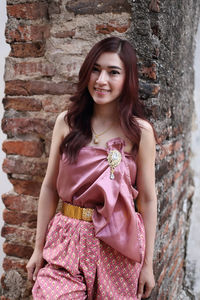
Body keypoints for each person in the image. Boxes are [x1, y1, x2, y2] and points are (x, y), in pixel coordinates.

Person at [26, 36, 157, 300]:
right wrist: (37, 248)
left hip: (118, 244)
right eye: (95, 69)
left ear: (128, 79)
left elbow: (147, 199)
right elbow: (50, 187)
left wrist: (148, 265)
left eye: (113, 72)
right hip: (67, 239)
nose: (101, 80)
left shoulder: (140, 132)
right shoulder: (67, 122)